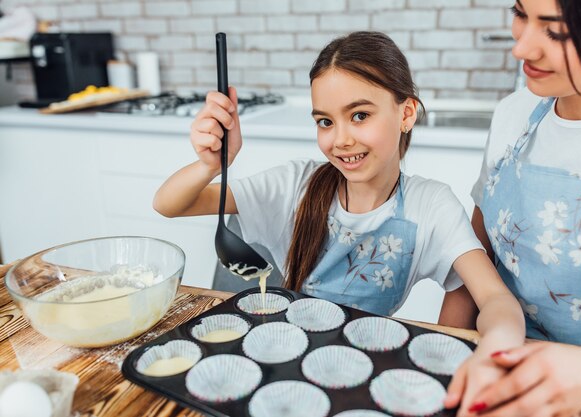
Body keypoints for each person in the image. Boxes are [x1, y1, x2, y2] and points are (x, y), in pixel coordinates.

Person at [153, 31, 524, 408]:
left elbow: (494, 297)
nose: (340, 139)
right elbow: (169, 204)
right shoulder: (294, 185)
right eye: (325, 122)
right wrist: (211, 164)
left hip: (364, 371)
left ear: (406, 113)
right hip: (284, 362)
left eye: (359, 115)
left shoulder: (430, 205)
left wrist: (496, 353)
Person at [441, 0, 581, 416]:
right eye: (520, 14)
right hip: (503, 365)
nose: (521, 48)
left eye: (555, 31)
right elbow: (478, 247)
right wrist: (445, 349)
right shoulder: (514, 113)